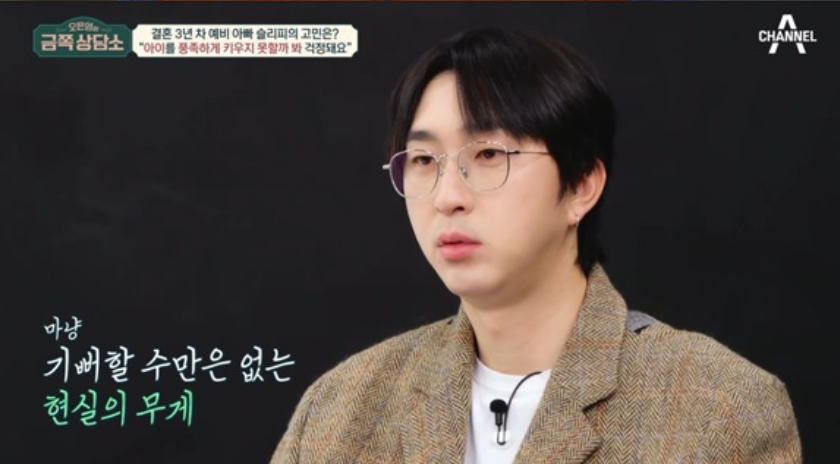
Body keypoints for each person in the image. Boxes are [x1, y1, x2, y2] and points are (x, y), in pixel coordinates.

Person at [270, 28, 801, 463]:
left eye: (489, 155)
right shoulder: (339, 411)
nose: (447, 197)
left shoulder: (717, 408)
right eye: (425, 161)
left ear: (581, 185)